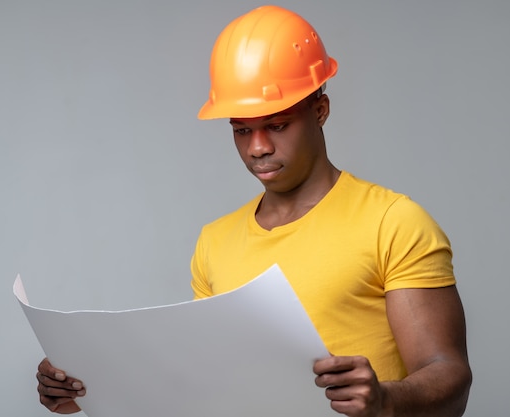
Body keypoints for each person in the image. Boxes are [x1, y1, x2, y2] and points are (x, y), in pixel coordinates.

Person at [36, 5, 472, 416]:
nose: (258, 147)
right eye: (242, 131)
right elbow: (205, 383)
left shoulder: (393, 222)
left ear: (320, 110)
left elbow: (449, 375)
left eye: (277, 125)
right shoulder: (215, 242)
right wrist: (90, 385)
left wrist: (384, 401)